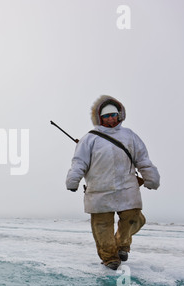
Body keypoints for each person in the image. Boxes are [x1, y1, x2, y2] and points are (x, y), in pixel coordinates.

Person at [66, 95, 160, 270]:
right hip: (99, 191)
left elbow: (143, 159)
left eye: (113, 114)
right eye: (106, 116)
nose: (110, 118)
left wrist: (150, 176)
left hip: (127, 188)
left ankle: (122, 244)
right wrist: (74, 179)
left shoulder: (130, 136)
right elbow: (79, 162)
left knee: (134, 218)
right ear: (100, 118)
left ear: (119, 115)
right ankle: (110, 258)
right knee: (102, 227)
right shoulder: (89, 138)